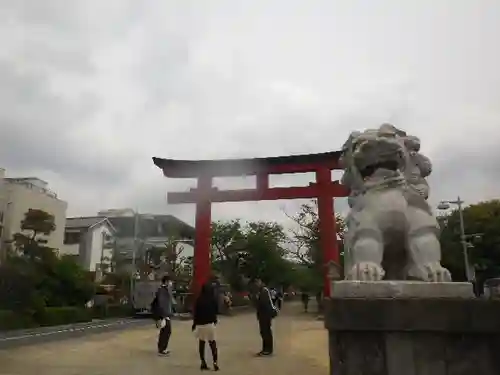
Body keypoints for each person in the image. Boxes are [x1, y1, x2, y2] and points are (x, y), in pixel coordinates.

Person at [192, 282, 220, 371]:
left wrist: (194, 324)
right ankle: (215, 362)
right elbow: (217, 310)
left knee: (202, 343)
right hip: (210, 324)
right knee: (212, 344)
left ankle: (203, 362)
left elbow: (195, 314)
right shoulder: (212, 299)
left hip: (200, 325)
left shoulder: (199, 299)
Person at [254, 278, 278, 356]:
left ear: (261, 282)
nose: (256, 284)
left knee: (266, 332)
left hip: (266, 314)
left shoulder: (264, 291)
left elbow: (265, 304)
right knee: (264, 332)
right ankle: (265, 349)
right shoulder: (261, 291)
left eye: (257, 282)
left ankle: (268, 350)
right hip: (263, 315)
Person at [154, 275, 175, 356]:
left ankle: (162, 348)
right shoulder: (162, 290)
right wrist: (164, 315)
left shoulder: (165, 290)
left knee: (165, 331)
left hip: (165, 314)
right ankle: (162, 349)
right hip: (164, 314)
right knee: (167, 331)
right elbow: (162, 303)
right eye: (170, 281)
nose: (171, 283)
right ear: (166, 282)